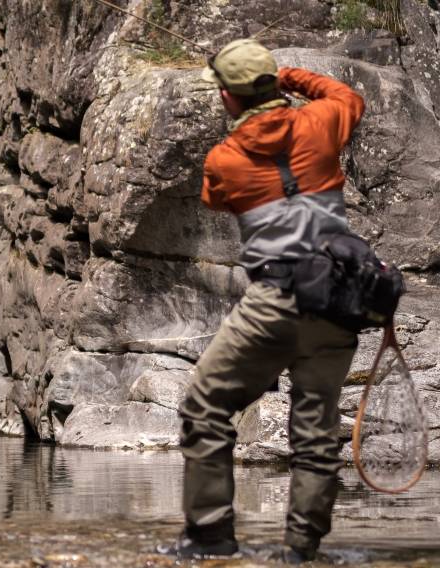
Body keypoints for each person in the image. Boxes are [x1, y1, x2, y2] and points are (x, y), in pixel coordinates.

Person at [167, 39, 365, 563]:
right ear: (272, 85)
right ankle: (302, 549)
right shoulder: (323, 123)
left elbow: (214, 198)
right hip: (338, 299)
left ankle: (210, 536)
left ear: (229, 98)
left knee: (205, 406)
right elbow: (347, 95)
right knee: (316, 426)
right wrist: (294, 76)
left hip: (275, 300)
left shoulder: (225, 159)